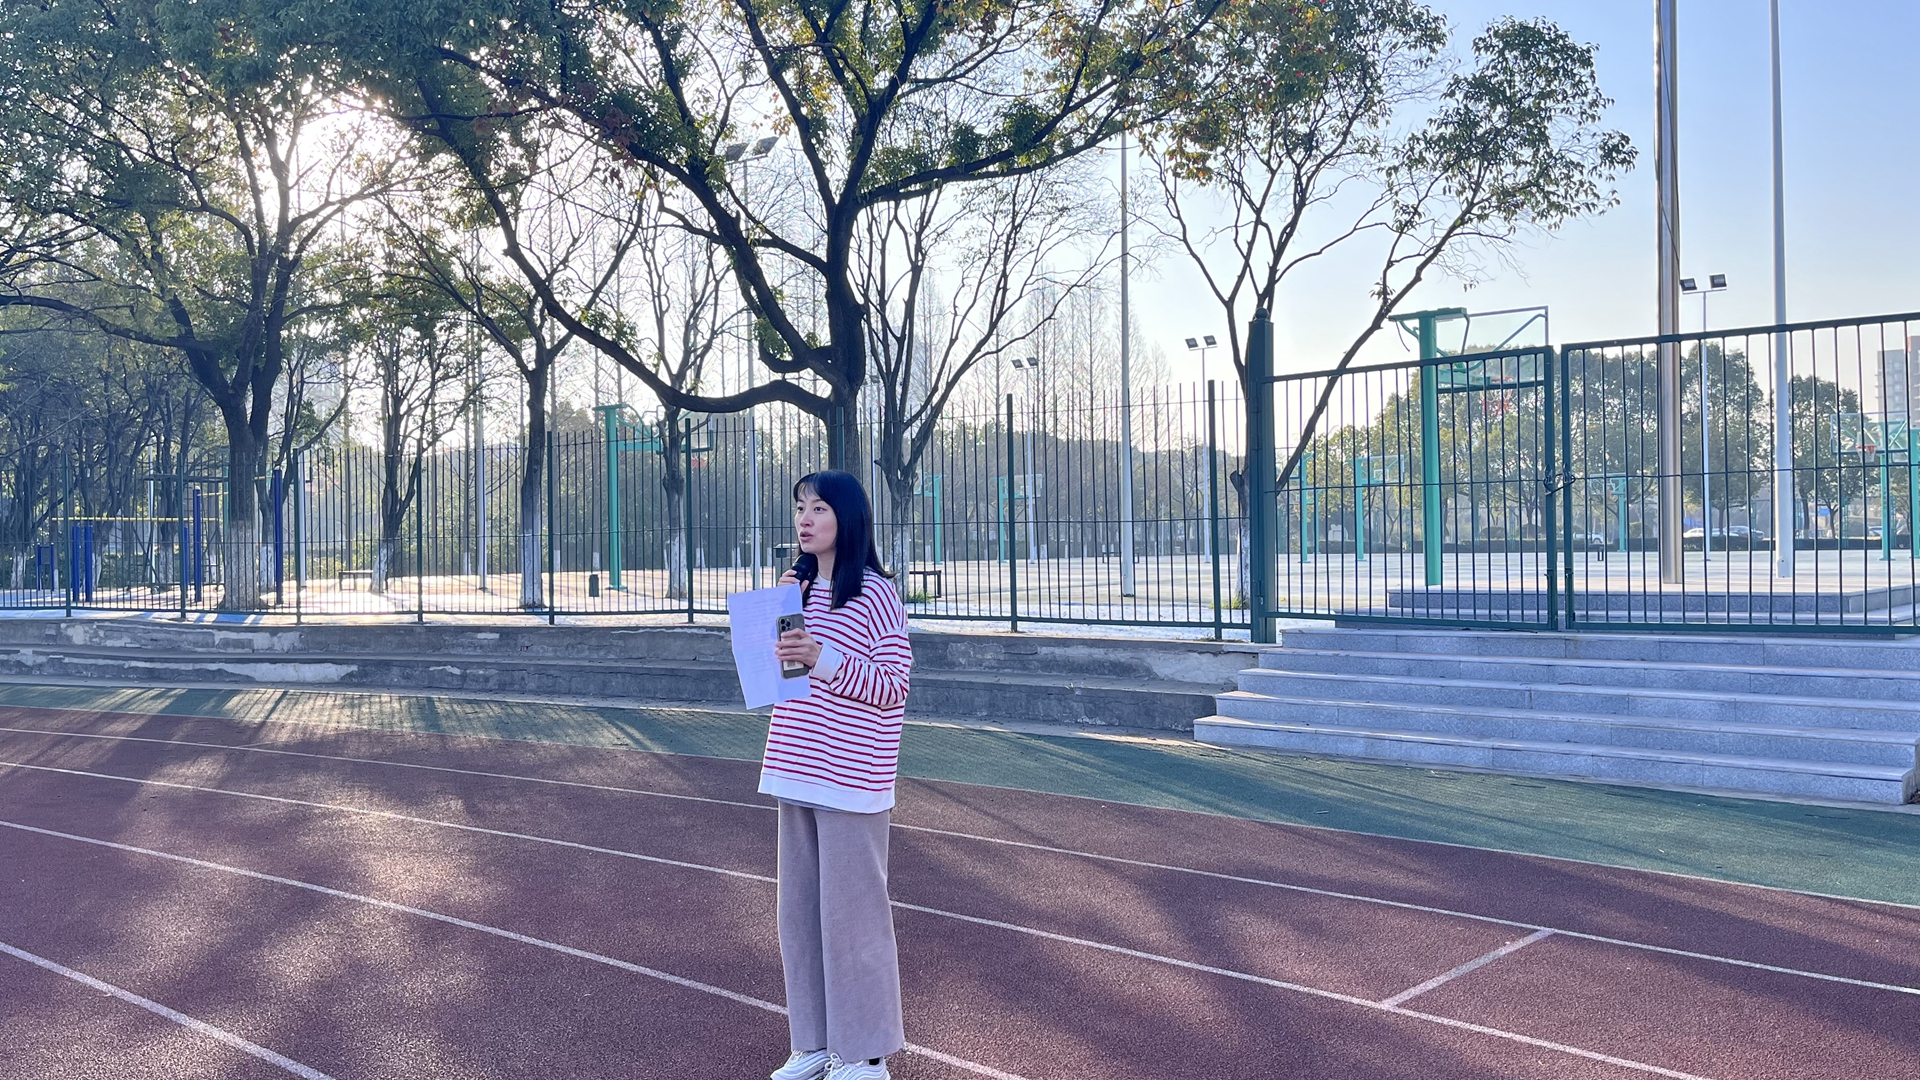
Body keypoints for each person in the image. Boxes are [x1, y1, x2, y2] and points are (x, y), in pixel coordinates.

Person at [763, 470, 912, 1080]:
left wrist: (821, 657)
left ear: (846, 518)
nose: (805, 519)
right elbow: (779, 680)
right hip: (794, 768)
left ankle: (866, 1054)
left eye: (819, 508)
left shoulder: (876, 594)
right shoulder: (792, 591)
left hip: (851, 779)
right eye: (800, 507)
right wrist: (773, 622)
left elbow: (893, 686)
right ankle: (815, 1043)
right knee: (799, 919)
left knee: (854, 920)